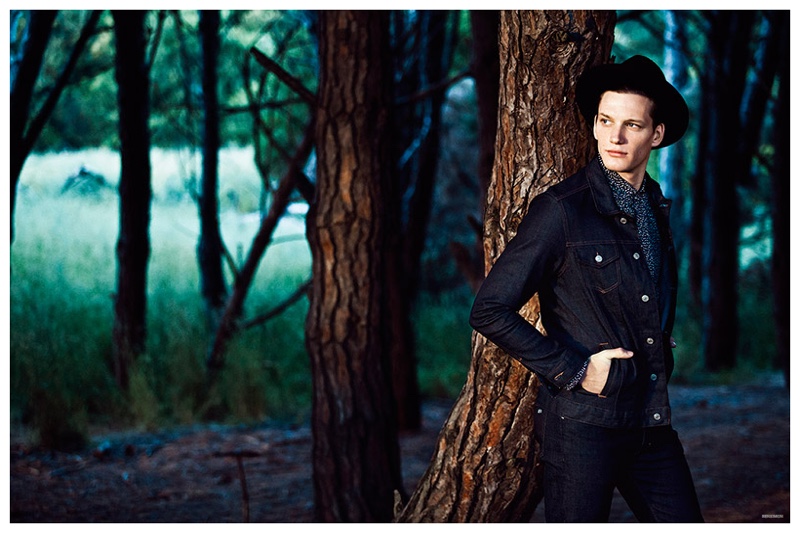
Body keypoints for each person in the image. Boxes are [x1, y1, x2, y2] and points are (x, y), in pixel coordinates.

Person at [469, 55, 703, 522]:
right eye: (605, 121)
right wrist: (575, 370)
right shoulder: (561, 210)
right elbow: (489, 309)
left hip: (648, 419)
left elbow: (638, 292)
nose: (615, 137)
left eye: (632, 125)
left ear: (655, 135)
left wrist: (652, 336)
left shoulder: (655, 207)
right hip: (583, 426)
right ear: (594, 125)